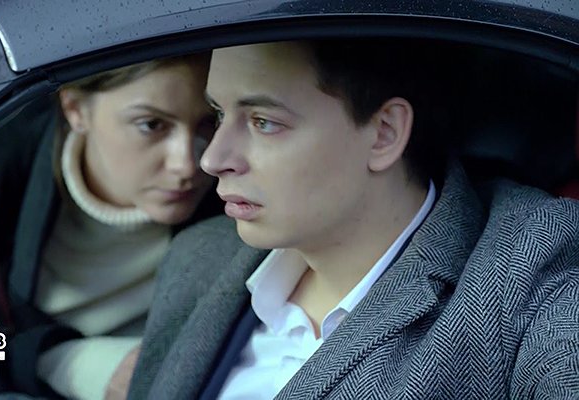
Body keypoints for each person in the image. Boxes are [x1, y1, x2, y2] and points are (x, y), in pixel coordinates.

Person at [129, 40, 579, 399]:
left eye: (263, 122)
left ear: (384, 133)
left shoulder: (532, 271)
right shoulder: (199, 256)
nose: (211, 159)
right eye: (219, 114)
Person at [0, 53, 220, 399]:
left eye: (210, 120)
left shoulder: (233, 196)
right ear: (75, 110)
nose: (188, 164)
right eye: (151, 125)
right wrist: (59, 361)